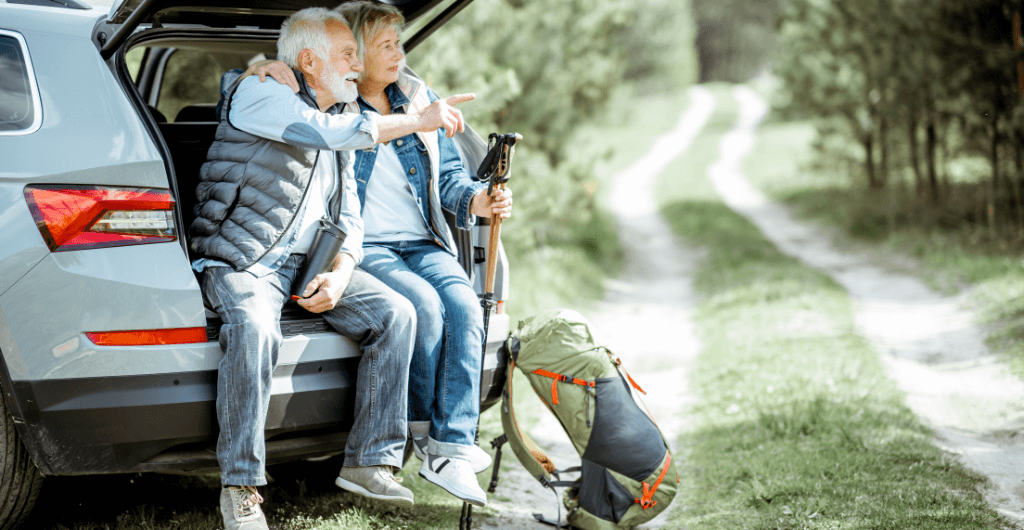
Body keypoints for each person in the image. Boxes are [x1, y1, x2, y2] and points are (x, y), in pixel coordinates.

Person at [190, 8, 476, 529]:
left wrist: (343, 268)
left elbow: (349, 216)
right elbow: (321, 132)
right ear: (307, 61)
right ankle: (241, 488)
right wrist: (418, 120)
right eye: (347, 54)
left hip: (309, 262)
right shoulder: (263, 95)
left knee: (396, 313)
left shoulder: (342, 119)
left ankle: (370, 461)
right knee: (254, 329)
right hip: (247, 257)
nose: (357, 64)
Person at [242, 0, 513, 508]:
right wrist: (258, 67)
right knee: (425, 310)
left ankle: (453, 446)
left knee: (464, 304)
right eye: (385, 45)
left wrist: (477, 199)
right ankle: (420, 432)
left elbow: (451, 177)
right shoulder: (335, 101)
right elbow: (255, 93)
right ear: (357, 55)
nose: (399, 54)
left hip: (424, 240)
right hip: (367, 247)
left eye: (399, 43)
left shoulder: (416, 96)